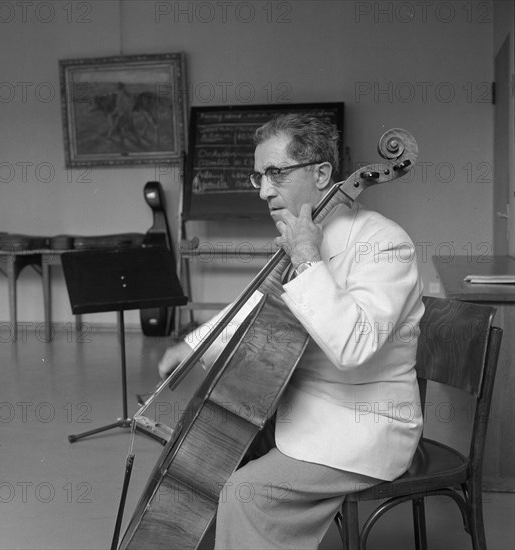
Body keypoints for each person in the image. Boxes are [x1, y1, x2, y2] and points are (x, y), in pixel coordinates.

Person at [158, 113, 424, 549]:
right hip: (296, 410)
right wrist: (194, 346)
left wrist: (305, 257)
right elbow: (255, 308)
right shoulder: (301, 234)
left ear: (321, 173)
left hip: (359, 427)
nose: (263, 191)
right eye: (259, 176)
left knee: (246, 495)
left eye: (276, 173)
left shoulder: (384, 242)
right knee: (202, 465)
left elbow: (355, 345)